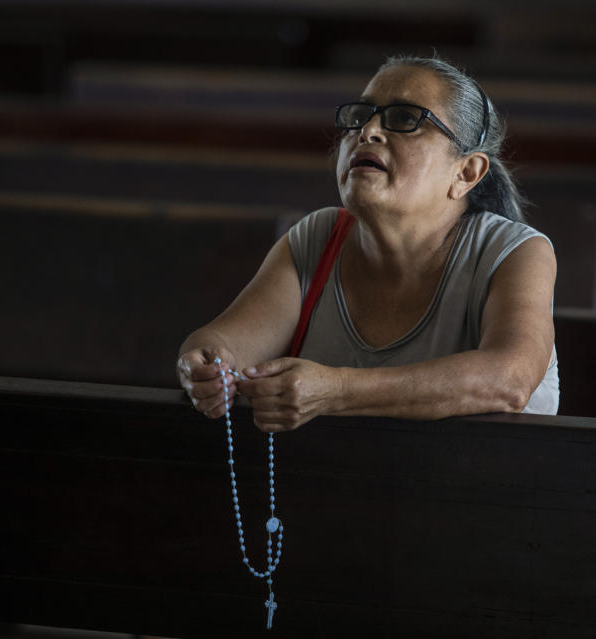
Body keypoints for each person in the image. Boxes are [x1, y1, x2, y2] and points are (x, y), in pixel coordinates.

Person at [177, 54, 559, 431]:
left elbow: (509, 380)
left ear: (466, 172)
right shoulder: (318, 238)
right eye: (360, 116)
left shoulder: (517, 252)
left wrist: (338, 391)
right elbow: (225, 343)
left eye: (406, 118)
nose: (368, 131)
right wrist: (206, 367)